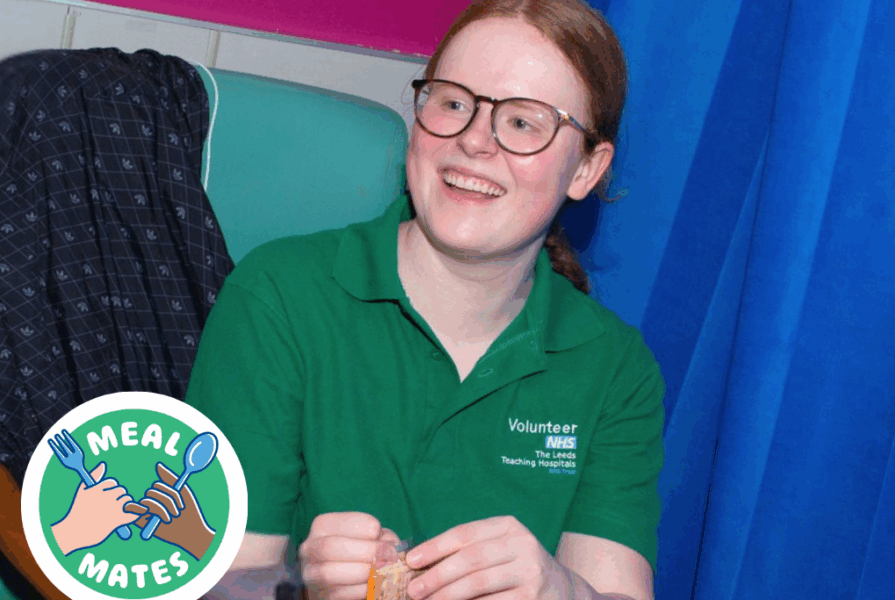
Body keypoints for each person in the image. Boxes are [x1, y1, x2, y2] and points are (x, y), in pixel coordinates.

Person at [185, 1, 664, 599]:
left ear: (587, 169)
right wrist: (296, 585)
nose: (473, 142)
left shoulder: (614, 366)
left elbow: (617, 588)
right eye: (454, 102)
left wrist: (561, 590)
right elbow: (209, 584)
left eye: (523, 122)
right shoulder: (280, 296)